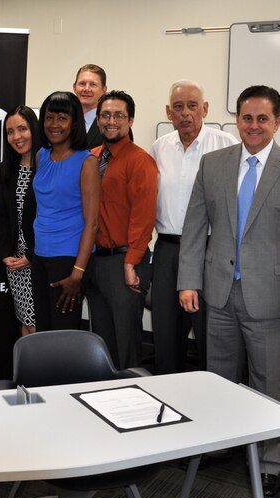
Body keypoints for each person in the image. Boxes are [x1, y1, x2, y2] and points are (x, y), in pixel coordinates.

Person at [178, 85, 280, 498]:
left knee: (266, 385)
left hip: (273, 300)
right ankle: (223, 443)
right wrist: (189, 280)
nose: (254, 126)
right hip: (219, 294)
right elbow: (194, 228)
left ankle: (267, 462)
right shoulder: (213, 164)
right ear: (237, 121)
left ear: (278, 122)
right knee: (219, 380)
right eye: (247, 118)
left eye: (263, 118)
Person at [150, 80, 238, 374]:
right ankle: (165, 394)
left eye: (192, 106)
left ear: (205, 109)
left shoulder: (226, 145)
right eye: (178, 107)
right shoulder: (159, 147)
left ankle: (210, 402)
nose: (185, 113)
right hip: (167, 249)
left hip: (209, 250)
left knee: (209, 332)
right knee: (165, 331)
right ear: (168, 112)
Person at [87, 90, 157, 369]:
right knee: (101, 340)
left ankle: (131, 401)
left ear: (130, 120)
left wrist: (131, 263)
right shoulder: (92, 157)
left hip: (126, 262)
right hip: (95, 261)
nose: (111, 121)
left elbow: (144, 216)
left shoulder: (140, 161)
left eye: (118, 115)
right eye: (105, 115)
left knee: (126, 342)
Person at [31, 92, 100, 331]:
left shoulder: (87, 161)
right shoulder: (42, 155)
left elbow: (92, 223)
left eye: (62, 118)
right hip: (40, 256)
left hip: (69, 260)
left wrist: (77, 274)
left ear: (75, 122)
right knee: (43, 330)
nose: (54, 124)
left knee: (63, 335)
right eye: (49, 117)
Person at [0, 106, 41, 336]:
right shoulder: (8, 169)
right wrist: (6, 254)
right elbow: (3, 215)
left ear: (34, 128)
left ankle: (43, 372)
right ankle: (27, 372)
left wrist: (31, 256)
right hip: (15, 263)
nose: (17, 137)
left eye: (22, 129)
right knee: (24, 321)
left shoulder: (47, 166)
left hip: (39, 260)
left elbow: (51, 217)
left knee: (36, 324)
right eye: (10, 131)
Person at [72, 64, 132, 149]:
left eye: (93, 84)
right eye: (82, 84)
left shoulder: (117, 125)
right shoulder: (64, 121)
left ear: (104, 89)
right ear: (74, 87)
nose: (86, 89)